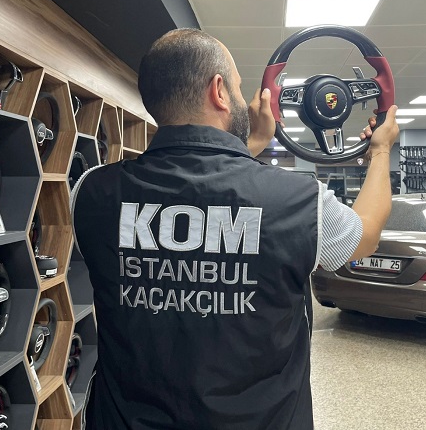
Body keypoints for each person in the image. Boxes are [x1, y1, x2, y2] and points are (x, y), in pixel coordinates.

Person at [71, 28, 399, 430]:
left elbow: (196, 190)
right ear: (219, 92)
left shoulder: (89, 193)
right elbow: (365, 234)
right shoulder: (298, 201)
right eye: (239, 87)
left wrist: (250, 143)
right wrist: (381, 150)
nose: (245, 99)